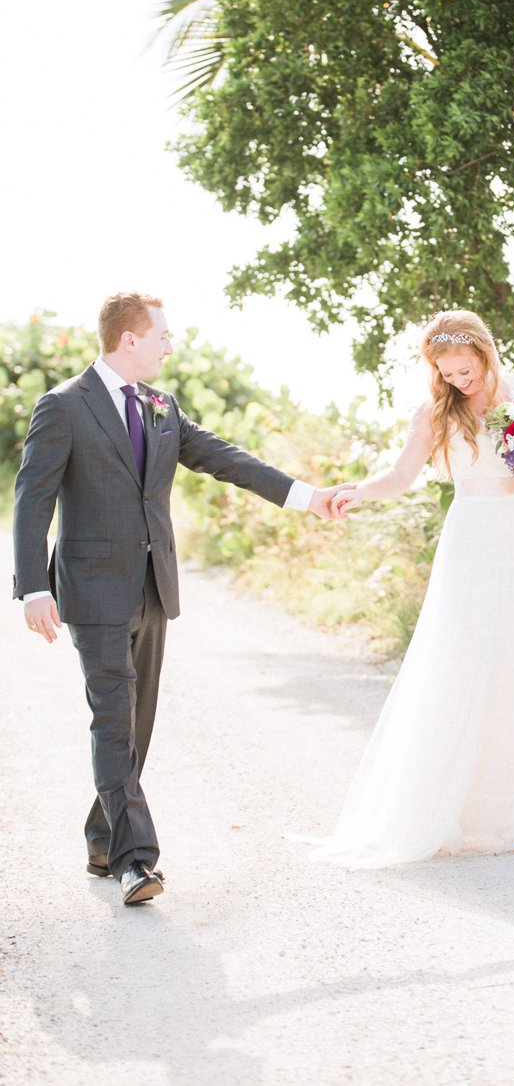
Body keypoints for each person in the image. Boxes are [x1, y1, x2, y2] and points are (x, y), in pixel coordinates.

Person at [12, 292, 342, 906]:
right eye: (162, 334)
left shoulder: (163, 406)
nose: (170, 345)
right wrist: (33, 587)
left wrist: (306, 495)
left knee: (137, 724)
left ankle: (102, 836)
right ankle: (137, 863)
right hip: (92, 588)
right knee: (114, 717)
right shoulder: (63, 407)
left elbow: (224, 459)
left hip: (153, 586)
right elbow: (33, 499)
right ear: (129, 339)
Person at [313, 309, 514, 868]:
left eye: (466, 369)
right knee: (465, 663)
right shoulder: (435, 412)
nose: (460, 381)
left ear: (486, 352)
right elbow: (400, 476)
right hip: (472, 542)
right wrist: (356, 492)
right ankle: (461, 810)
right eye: (448, 373)